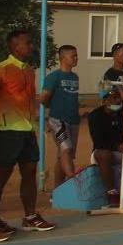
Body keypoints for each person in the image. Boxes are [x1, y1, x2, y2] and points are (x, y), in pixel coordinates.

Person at [0, 30, 55, 242]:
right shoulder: (0, 70)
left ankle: (30, 216)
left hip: (26, 130)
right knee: (2, 175)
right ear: (15, 47)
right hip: (6, 130)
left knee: (30, 170)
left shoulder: (30, 71)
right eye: (28, 43)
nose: (31, 46)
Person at [40, 44, 82, 184]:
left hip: (73, 120)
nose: (76, 58)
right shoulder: (54, 77)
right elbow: (44, 97)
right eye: (73, 56)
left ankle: (58, 190)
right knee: (66, 147)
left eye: (76, 55)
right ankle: (71, 179)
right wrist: (51, 111)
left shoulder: (75, 77)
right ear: (63, 58)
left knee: (65, 155)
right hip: (58, 119)